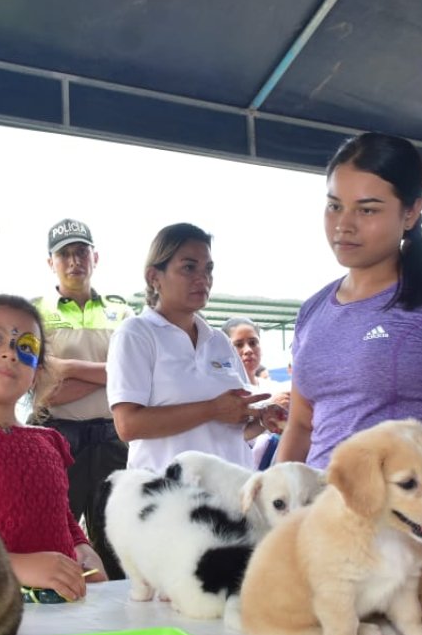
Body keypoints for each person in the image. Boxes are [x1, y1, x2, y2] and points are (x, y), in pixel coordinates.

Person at [275, 133, 422, 469]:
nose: (343, 225)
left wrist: (401, 478)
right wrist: (269, 510)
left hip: (401, 516)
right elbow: (301, 426)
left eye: (367, 209)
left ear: (410, 212)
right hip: (317, 513)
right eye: (334, 206)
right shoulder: (313, 310)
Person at [0, 294, 108, 603]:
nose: (9, 352)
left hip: (59, 615)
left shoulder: (48, 442)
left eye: (26, 346)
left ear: (37, 371)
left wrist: (83, 549)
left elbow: (61, 517)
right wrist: (12, 565)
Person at [106, 223, 276, 472]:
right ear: (154, 277)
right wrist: (212, 409)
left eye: (208, 269)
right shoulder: (136, 333)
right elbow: (128, 425)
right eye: (189, 268)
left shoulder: (218, 340)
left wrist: (263, 420)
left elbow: (235, 430)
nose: (203, 278)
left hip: (231, 493)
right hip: (169, 497)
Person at [31, 218, 135, 580]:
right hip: (57, 436)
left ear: (95, 257)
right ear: (51, 263)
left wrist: (67, 366)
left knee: (118, 541)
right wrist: (111, 375)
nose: (74, 261)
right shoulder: (34, 314)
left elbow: (135, 375)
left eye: (80, 252)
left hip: (112, 437)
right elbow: (43, 388)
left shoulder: (123, 314)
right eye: (64, 255)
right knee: (52, 537)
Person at [222, 316, 290, 469]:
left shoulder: (275, 387)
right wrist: (269, 407)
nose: (248, 350)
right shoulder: (225, 394)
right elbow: (229, 437)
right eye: (238, 345)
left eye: (253, 342)